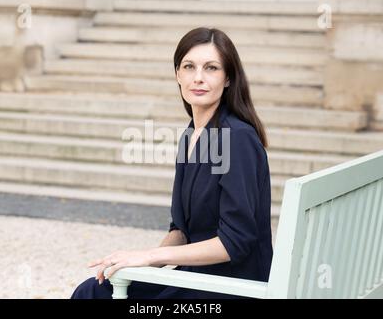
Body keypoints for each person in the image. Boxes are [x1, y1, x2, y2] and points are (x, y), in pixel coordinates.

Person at [71, 27, 273, 299]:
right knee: (92, 291)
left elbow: (235, 242)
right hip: (196, 277)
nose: (198, 78)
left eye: (211, 68)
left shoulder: (238, 138)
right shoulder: (192, 135)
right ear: (178, 74)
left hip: (231, 287)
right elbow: (180, 230)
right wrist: (139, 260)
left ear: (228, 79)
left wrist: (152, 256)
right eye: (189, 67)